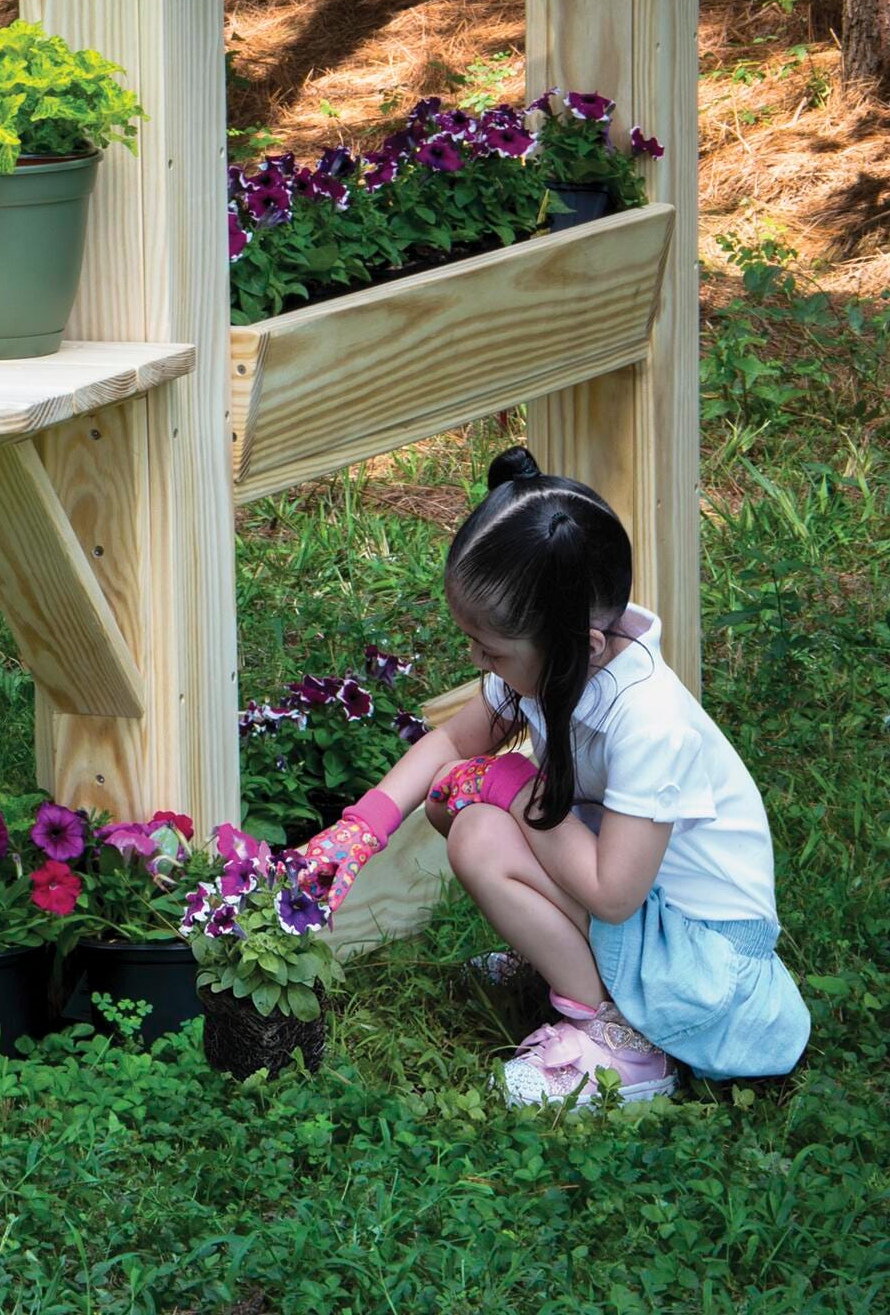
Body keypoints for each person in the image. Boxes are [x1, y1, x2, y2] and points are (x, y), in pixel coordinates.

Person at [294, 446, 808, 1106]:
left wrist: (512, 784)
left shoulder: (649, 722)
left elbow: (613, 893)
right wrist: (361, 829)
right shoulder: (563, 656)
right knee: (464, 811)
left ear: (580, 646)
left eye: (491, 650)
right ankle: (577, 965)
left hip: (705, 968)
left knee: (480, 832)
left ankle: (624, 1043)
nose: (476, 660)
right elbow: (454, 739)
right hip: (649, 919)